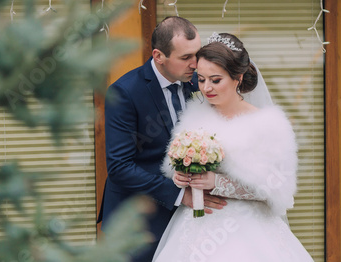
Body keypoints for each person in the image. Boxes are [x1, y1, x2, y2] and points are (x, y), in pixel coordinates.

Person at [153, 33, 314, 261]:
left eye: (215, 80)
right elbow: (175, 165)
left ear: (237, 78)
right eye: (201, 79)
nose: (206, 87)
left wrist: (218, 183)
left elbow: (279, 190)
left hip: (249, 229)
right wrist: (181, 176)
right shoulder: (194, 114)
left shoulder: (268, 124)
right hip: (197, 224)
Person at [97, 17, 227, 262]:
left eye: (197, 54)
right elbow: (119, 167)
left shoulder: (199, 83)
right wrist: (180, 195)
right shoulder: (124, 93)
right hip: (137, 221)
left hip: (189, 218)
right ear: (158, 56)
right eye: (186, 57)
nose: (195, 64)